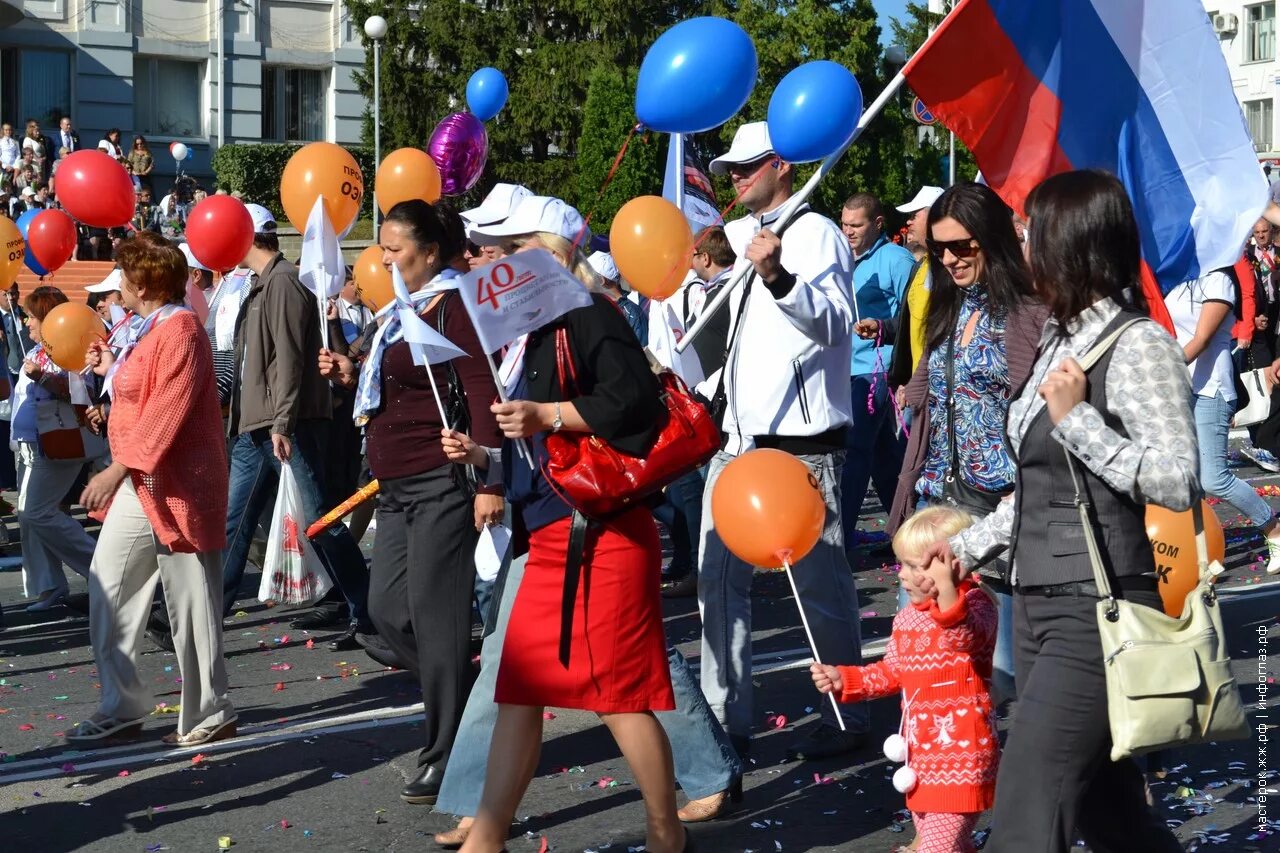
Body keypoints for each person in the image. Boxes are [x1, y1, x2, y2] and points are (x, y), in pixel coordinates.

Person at [922, 169, 1194, 853]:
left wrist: (1080, 424)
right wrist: (965, 547)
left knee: (1026, 810)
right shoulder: (1058, 337)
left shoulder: (1138, 344)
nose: (1021, 245)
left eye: (1030, 232)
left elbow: (1179, 479)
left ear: (1071, 243)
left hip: (1098, 612)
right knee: (1109, 815)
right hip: (1040, 602)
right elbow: (1041, 489)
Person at [444, 194, 690, 853]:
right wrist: (487, 455)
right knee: (519, 690)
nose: (482, 261)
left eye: (499, 250)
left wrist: (548, 415)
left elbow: (635, 402)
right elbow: (533, 442)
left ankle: (667, 833)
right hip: (552, 534)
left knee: (617, 697)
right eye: (482, 250)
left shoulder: (586, 312)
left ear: (543, 252)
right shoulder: (529, 328)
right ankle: (486, 838)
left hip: (603, 533)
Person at [316, 200, 505, 803]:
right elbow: (394, 385)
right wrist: (350, 370)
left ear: (428, 252)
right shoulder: (400, 310)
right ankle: (467, 698)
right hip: (394, 485)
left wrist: (491, 481)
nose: (384, 258)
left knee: (435, 614)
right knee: (387, 610)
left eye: (394, 248)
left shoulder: (456, 307)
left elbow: (481, 390)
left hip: (440, 482)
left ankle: (447, 751)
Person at [699, 121, 866, 761]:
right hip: (738, 443)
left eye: (750, 166)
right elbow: (733, 343)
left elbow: (833, 324)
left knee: (821, 590)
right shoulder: (739, 238)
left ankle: (844, 709)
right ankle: (725, 719)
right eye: (732, 169)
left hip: (801, 444)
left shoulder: (816, 231)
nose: (737, 177)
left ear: (785, 166)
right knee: (717, 581)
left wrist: (778, 277)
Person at [65, 231, 236, 747]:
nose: (117, 283)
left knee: (191, 600)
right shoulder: (149, 326)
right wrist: (109, 371)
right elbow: (143, 395)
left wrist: (115, 470)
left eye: (123, 274)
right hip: (144, 481)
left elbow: (168, 413)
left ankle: (211, 708)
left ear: (142, 282)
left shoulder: (181, 329)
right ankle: (123, 704)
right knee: (108, 583)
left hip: (178, 483)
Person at [885, 183, 1048, 704]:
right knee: (928, 656)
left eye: (962, 246)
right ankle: (948, 774)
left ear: (992, 240)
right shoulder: (947, 308)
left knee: (998, 674)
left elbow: (1043, 412)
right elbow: (933, 389)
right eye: (940, 249)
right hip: (939, 499)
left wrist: (1023, 492)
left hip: (996, 509)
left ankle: (1012, 779)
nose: (950, 259)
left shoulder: (1025, 312)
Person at [218, 205, 375, 651]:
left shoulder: (284, 282)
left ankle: (365, 610)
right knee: (236, 523)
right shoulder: (257, 285)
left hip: (285, 424)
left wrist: (283, 422)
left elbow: (286, 359)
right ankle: (209, 614)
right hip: (256, 425)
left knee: (321, 521)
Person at [812, 506, 998, 853]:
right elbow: (892, 671)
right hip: (921, 759)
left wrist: (946, 592)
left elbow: (964, 638)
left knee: (936, 848)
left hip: (962, 759)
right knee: (947, 846)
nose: (903, 576)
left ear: (952, 564)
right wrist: (845, 681)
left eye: (915, 566)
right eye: (902, 565)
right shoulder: (908, 619)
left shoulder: (976, 605)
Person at [1165, 269, 1280, 574]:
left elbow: (1202, 339)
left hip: (1210, 389)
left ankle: (1274, 529)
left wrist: (1159, 370)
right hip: (1181, 389)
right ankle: (1199, 553)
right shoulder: (1173, 276)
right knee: (1187, 480)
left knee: (1213, 478)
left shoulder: (1218, 280)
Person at [10, 286, 95, 611]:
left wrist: (44, 378)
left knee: (37, 512)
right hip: (32, 445)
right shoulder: (36, 351)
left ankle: (101, 570)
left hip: (57, 444)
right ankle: (49, 585)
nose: (26, 322)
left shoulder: (67, 348)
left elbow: (79, 392)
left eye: (31, 316)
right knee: (28, 515)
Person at [838, 192, 916, 551]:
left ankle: (839, 538)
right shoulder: (840, 258)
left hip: (876, 369)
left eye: (857, 225)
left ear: (878, 224)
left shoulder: (897, 260)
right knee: (883, 455)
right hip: (845, 366)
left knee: (855, 451)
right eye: (844, 224)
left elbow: (915, 317)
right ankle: (906, 532)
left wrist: (882, 325)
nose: (848, 231)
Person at [1240, 217, 1280, 472]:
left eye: (1266, 231)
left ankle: (1267, 443)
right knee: (1259, 379)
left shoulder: (1277, 255)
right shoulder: (1248, 256)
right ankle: (1261, 440)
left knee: (1272, 380)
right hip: (1259, 321)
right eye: (1258, 232)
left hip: (1275, 316)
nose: (1262, 236)